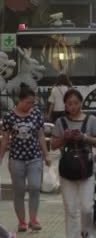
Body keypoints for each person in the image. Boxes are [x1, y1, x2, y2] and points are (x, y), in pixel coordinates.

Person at [51, 89, 96, 238]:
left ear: (81, 103)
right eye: (69, 104)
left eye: (75, 103)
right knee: (70, 208)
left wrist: (84, 137)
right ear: (65, 105)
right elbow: (53, 145)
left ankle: (87, 233)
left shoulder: (91, 120)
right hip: (67, 168)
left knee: (87, 207)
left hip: (86, 167)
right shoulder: (60, 122)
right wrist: (64, 137)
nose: (72, 106)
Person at [0, 87, 51, 233]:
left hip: (34, 156)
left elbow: (41, 135)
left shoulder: (36, 114)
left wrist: (46, 154)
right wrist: (1, 156)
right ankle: (22, 221)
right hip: (17, 158)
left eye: (32, 103)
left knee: (35, 187)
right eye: (28, 102)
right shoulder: (9, 117)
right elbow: (5, 139)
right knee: (19, 191)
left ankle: (33, 219)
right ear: (20, 100)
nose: (30, 105)